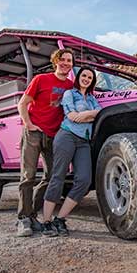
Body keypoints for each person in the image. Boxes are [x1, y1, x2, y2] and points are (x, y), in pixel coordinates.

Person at [16, 48, 74, 237]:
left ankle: (33, 214)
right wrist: (29, 124)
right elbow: (23, 103)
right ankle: (24, 219)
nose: (66, 63)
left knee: (50, 177)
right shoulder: (41, 79)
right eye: (63, 60)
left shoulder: (71, 86)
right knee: (28, 176)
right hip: (34, 133)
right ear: (55, 61)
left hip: (54, 136)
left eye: (69, 60)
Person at [41, 66, 102, 236]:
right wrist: (91, 115)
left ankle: (59, 219)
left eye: (90, 77)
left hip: (83, 141)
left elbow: (100, 113)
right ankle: (46, 221)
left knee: (84, 180)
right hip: (66, 135)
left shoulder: (91, 98)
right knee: (58, 176)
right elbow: (73, 116)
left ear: (92, 81)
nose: (86, 79)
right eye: (84, 75)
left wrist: (87, 114)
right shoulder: (69, 94)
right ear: (78, 77)